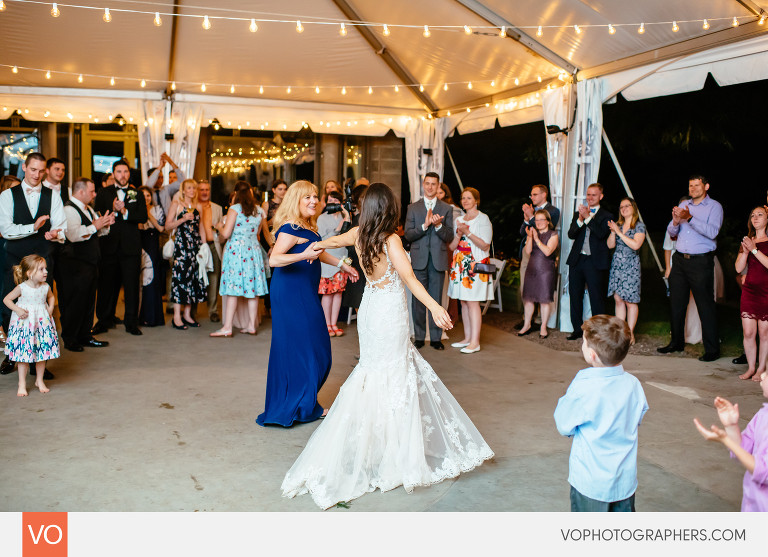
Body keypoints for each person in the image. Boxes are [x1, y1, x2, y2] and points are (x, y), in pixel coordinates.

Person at [281, 183, 493, 509]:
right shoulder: (390, 239)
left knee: (373, 373)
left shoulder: (359, 233)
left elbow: (333, 241)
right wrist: (435, 307)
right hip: (388, 314)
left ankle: (377, 446)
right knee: (395, 374)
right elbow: (409, 279)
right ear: (388, 208)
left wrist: (310, 244)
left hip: (370, 310)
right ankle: (395, 452)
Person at [256, 180, 358, 427]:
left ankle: (304, 402)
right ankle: (301, 405)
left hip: (305, 291)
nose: (313, 201)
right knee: (301, 347)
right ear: (296, 201)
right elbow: (275, 259)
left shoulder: (307, 225)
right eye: (307, 197)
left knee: (316, 347)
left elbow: (318, 251)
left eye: (314, 196)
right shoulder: (290, 227)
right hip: (290, 293)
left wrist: (341, 265)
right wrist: (303, 255)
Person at [554, 315, 649, 512]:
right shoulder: (633, 384)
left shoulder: (584, 385)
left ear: (592, 355)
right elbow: (638, 416)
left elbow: (564, 424)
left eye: (584, 342)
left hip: (591, 483)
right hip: (624, 482)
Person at [0, 153, 66, 378]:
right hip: (14, 259)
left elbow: (61, 226)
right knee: (9, 308)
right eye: (33, 170)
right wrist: (33, 227)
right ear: (24, 168)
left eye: (41, 171)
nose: (37, 175)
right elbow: (6, 229)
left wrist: (56, 234)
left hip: (42, 260)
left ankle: (39, 362)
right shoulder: (7, 195)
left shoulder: (52, 195)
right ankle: (14, 355)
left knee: (42, 310)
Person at [658, 175, 723, 361]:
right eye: (690, 185)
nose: (693, 188)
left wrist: (690, 218)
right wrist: (675, 221)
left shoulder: (714, 207)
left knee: (705, 305)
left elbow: (713, 232)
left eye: (697, 185)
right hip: (679, 260)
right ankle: (676, 343)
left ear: (706, 186)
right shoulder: (684, 204)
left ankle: (712, 350)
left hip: (700, 262)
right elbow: (672, 233)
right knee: (676, 303)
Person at [693, 380, 768, 512]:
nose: (762, 375)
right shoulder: (763, 414)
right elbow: (743, 452)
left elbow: (763, 471)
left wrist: (726, 440)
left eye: (766, 373)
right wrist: (731, 427)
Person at [93, 159, 148, 336]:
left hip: (131, 247)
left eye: (125, 172)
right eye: (119, 172)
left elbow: (143, 217)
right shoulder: (104, 192)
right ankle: (103, 320)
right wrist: (112, 208)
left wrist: (125, 212)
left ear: (129, 174)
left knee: (131, 286)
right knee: (106, 285)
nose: (122, 175)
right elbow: (97, 212)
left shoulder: (137, 193)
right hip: (108, 245)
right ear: (113, 173)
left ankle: (131, 322)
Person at [59, 178, 113, 351]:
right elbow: (73, 235)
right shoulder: (68, 209)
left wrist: (105, 225)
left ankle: (85, 335)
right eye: (92, 191)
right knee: (75, 302)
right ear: (81, 191)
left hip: (90, 263)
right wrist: (95, 226)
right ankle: (70, 338)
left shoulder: (88, 209)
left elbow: (96, 232)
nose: (94, 194)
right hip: (75, 264)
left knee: (89, 302)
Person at [211, 181, 270, 337]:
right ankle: (251, 326)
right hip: (253, 251)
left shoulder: (234, 209)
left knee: (232, 289)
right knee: (253, 290)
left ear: (236, 193)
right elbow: (258, 232)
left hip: (236, 251)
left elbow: (226, 233)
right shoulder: (259, 210)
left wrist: (218, 226)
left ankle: (227, 327)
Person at [404, 172, 454, 349]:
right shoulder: (413, 207)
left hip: (438, 260)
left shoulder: (446, 208)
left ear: (438, 186)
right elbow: (408, 234)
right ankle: (419, 336)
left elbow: (449, 236)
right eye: (427, 183)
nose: (430, 187)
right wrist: (425, 226)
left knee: (436, 299)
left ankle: (435, 338)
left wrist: (439, 225)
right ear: (423, 185)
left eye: (434, 184)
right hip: (419, 260)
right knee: (418, 300)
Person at [3, 255, 59, 396]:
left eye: (45, 268)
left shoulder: (45, 287)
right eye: (41, 269)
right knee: (24, 356)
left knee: (41, 354)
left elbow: (51, 296)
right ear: (29, 273)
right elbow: (7, 299)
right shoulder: (22, 288)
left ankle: (39, 380)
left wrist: (51, 308)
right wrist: (18, 310)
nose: (46, 271)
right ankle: (21, 383)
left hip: (41, 325)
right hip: (25, 326)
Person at [446, 188, 493, 354]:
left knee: (473, 302)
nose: (465, 201)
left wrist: (468, 232)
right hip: (459, 264)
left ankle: (475, 342)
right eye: (463, 198)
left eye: (468, 198)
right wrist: (459, 235)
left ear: (476, 201)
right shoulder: (459, 219)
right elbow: (452, 246)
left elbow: (485, 244)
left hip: (475, 265)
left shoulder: (483, 218)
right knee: (463, 302)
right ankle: (467, 338)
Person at [565, 183, 613, 340]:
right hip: (577, 259)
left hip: (594, 261)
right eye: (588, 194)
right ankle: (577, 329)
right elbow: (571, 234)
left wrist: (587, 218)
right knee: (575, 295)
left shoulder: (607, 215)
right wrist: (580, 220)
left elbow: (601, 234)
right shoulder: (578, 213)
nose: (590, 197)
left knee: (596, 297)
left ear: (601, 196)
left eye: (594, 194)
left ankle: (599, 332)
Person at [165, 179, 207, 330]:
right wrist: (183, 219)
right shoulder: (176, 204)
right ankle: (177, 316)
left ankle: (187, 315)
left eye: (194, 188)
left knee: (193, 280)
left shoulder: (198, 206)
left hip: (195, 247)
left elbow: (201, 226)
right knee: (180, 279)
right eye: (189, 188)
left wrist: (204, 246)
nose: (192, 191)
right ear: (183, 190)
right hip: (181, 247)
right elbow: (167, 225)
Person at [734, 206, 768, 381]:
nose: (755, 218)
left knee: (764, 333)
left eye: (760, 214)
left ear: (767, 219)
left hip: (766, 292)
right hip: (749, 291)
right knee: (748, 332)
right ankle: (751, 367)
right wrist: (746, 252)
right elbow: (738, 268)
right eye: (753, 215)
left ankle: (761, 368)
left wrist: (755, 250)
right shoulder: (748, 241)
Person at [607, 198, 646, 345]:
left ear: (633, 207)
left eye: (627, 206)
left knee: (630, 301)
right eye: (621, 207)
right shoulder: (618, 225)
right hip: (617, 265)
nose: (623, 209)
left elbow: (636, 245)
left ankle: (630, 333)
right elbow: (610, 245)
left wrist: (619, 233)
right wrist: (613, 232)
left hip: (631, 266)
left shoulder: (639, 226)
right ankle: (620, 332)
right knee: (618, 299)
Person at [317, 190, 352, 336]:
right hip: (328, 260)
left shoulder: (344, 216)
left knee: (338, 293)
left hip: (342, 258)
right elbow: (321, 240)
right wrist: (337, 229)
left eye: (336, 201)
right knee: (328, 293)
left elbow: (349, 235)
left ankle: (334, 323)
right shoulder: (322, 218)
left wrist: (347, 216)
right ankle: (326, 325)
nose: (333, 204)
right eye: (330, 201)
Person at [519, 209, 559, 338]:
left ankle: (543, 327)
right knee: (529, 299)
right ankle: (527, 324)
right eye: (536, 220)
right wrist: (530, 237)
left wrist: (536, 239)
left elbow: (548, 252)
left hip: (545, 270)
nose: (539, 222)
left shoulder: (553, 234)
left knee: (544, 300)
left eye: (542, 219)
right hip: (532, 269)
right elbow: (528, 251)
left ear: (547, 221)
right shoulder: (533, 233)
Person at [519, 184, 560, 306]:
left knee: (542, 287)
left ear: (544, 194)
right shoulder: (531, 210)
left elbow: (546, 229)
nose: (532, 197)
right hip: (528, 250)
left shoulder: (553, 210)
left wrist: (531, 216)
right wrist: (526, 219)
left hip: (543, 253)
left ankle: (539, 316)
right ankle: (527, 316)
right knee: (525, 286)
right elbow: (522, 232)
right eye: (531, 195)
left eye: (535, 194)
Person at [137, 186, 165, 327]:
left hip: (152, 244)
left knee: (152, 279)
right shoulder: (135, 210)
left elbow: (160, 228)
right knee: (140, 281)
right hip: (139, 243)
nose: (146, 198)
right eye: (143, 195)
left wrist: (148, 213)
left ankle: (153, 316)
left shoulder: (157, 209)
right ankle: (139, 316)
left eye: (148, 195)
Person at [340, 184, 369, 314]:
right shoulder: (366, 218)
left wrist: (347, 218)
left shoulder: (359, 219)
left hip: (359, 265)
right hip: (364, 264)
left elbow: (345, 241)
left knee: (361, 307)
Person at [198, 180, 223, 322]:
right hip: (197, 246)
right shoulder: (192, 206)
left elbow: (221, 228)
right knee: (196, 277)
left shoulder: (217, 208)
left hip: (214, 245)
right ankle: (192, 311)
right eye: (201, 189)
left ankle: (213, 310)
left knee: (214, 278)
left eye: (206, 189)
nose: (204, 192)